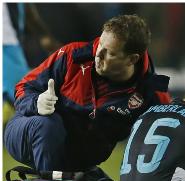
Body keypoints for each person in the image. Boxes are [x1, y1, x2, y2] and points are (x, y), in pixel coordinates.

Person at [4, 14, 171, 172]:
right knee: (48, 125)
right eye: (100, 44)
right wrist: (36, 102)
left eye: (110, 53)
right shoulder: (71, 56)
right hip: (27, 129)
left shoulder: (151, 93)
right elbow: (22, 87)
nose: (98, 54)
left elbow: (173, 134)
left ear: (132, 59)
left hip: (77, 160)